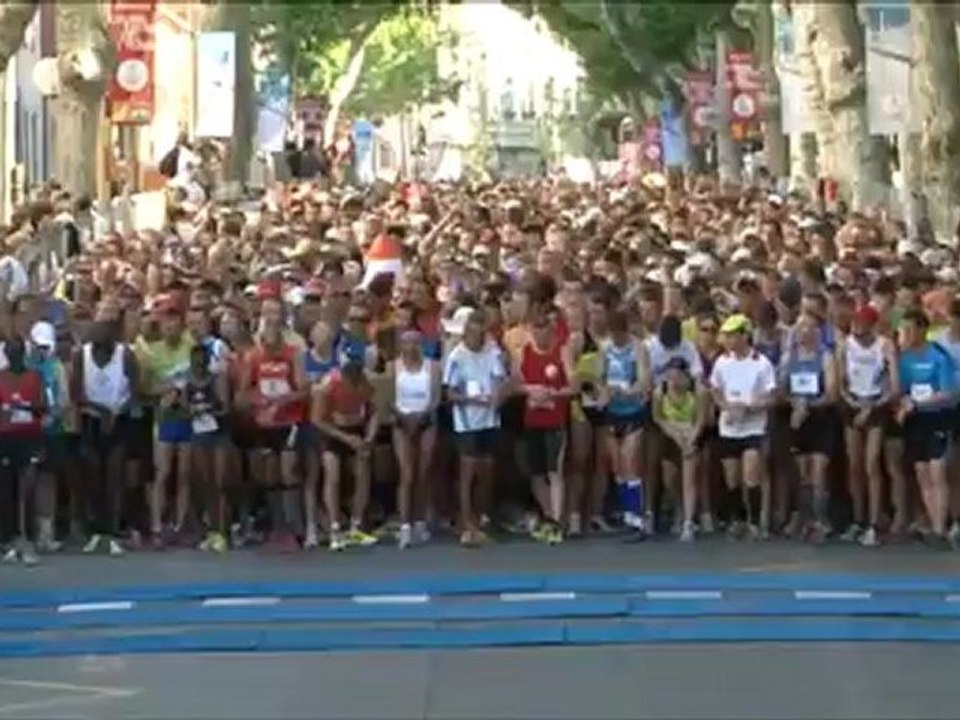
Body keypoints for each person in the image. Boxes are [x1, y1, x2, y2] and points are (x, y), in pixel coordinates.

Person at [241, 296, 308, 551]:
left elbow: (304, 389)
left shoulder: (293, 355)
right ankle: (276, 528)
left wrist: (282, 401)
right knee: (268, 475)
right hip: (264, 422)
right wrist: (259, 401)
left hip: (288, 420)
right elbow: (243, 392)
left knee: (289, 472)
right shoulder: (253, 357)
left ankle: (294, 528)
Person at [443, 309, 507, 546]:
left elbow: (500, 380)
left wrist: (497, 397)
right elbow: (450, 392)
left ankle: (479, 519)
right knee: (468, 471)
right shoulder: (457, 357)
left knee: (487, 471)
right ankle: (466, 523)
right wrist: (472, 401)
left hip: (490, 419)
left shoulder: (493, 352)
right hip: (467, 421)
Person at [75, 318, 138, 555]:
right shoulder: (82, 355)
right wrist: (101, 412)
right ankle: (95, 531)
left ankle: (112, 530)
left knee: (114, 478)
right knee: (93, 477)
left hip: (119, 419)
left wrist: (118, 412)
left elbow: (134, 392)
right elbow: (77, 393)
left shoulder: (126, 355)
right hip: (92, 419)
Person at [710, 313, 776, 539]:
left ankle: (755, 522)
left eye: (732, 335)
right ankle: (737, 519)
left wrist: (749, 407)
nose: (728, 340)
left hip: (753, 427)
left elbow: (771, 396)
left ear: (744, 336)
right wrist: (727, 407)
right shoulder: (722, 362)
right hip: (729, 427)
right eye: (726, 336)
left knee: (751, 474)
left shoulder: (762, 363)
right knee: (732, 477)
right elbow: (715, 389)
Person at [838, 303, 899, 546]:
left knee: (871, 463)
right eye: (855, 323)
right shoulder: (845, 345)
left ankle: (874, 522)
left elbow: (893, 387)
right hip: (853, 403)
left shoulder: (884, 345)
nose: (857, 328)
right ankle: (858, 518)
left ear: (872, 325)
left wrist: (871, 407)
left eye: (862, 323)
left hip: (876, 403)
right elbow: (841, 382)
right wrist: (851, 402)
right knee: (854, 465)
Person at [896, 308, 955, 546]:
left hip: (937, 418)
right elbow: (902, 390)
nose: (907, 334)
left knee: (937, 472)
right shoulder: (905, 359)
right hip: (916, 421)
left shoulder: (938, 357)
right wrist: (905, 404)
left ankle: (941, 527)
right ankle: (933, 524)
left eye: (911, 329)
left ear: (922, 330)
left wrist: (919, 403)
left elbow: (947, 394)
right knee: (922, 473)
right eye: (904, 330)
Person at [312, 344, 379, 551]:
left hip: (356, 431)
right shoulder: (329, 385)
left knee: (362, 471)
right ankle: (334, 528)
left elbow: (374, 411)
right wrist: (345, 438)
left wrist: (369, 436)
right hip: (332, 433)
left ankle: (356, 526)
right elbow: (317, 420)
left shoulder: (364, 382)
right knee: (333, 475)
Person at [515, 308, 573, 544]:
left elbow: (574, 385)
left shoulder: (562, 351)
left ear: (551, 330)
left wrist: (552, 393)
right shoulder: (524, 352)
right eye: (535, 331)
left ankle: (558, 520)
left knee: (554, 471)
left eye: (544, 330)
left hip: (555, 420)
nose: (539, 336)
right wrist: (531, 390)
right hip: (532, 420)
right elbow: (515, 383)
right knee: (536, 473)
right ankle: (549, 516)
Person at [780, 310, 839, 543]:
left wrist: (809, 404)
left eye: (809, 327)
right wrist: (795, 402)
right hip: (797, 418)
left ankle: (821, 519)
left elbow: (832, 392)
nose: (803, 332)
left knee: (818, 471)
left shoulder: (826, 356)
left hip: (820, 418)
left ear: (817, 332)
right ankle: (804, 517)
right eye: (800, 327)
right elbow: (780, 389)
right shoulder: (789, 357)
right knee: (802, 473)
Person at [600, 308, 652, 538]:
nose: (616, 339)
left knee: (631, 461)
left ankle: (639, 517)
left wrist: (626, 392)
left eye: (619, 334)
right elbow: (599, 378)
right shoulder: (605, 348)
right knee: (618, 465)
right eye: (613, 335)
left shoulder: (638, 348)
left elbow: (644, 381)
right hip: (613, 412)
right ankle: (628, 514)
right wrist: (603, 393)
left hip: (633, 411)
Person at [392, 329, 441, 548]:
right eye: (406, 342)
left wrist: (422, 416)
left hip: (425, 420)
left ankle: (420, 520)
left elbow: (436, 398)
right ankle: (404, 525)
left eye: (415, 342)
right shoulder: (394, 367)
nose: (411, 347)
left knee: (424, 471)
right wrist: (403, 416)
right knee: (407, 473)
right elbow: (389, 398)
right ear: (400, 345)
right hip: (402, 422)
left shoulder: (432, 367)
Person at [0, 338, 46, 565]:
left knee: (28, 487)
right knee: (6, 489)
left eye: (18, 351)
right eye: (10, 351)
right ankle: (7, 540)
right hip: (5, 437)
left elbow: (42, 407)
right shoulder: (1, 377)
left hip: (29, 437)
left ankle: (28, 538)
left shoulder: (34, 376)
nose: (14, 354)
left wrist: (24, 407)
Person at [652, 356, 707, 542]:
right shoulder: (660, 392)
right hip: (670, 434)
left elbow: (701, 420)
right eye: (670, 376)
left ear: (686, 376)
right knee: (669, 479)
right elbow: (658, 418)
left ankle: (689, 522)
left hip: (691, 435)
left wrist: (691, 439)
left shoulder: (698, 392)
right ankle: (679, 509)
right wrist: (674, 433)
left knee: (689, 478)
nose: (673, 381)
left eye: (677, 377)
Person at [186, 343, 229, 553]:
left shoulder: (216, 379)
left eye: (202, 358)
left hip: (217, 434)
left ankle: (221, 530)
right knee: (203, 482)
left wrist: (208, 408)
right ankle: (208, 531)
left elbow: (225, 408)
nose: (199, 362)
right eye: (195, 358)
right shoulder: (186, 381)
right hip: (198, 435)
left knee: (219, 482)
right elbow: (180, 410)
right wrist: (191, 411)